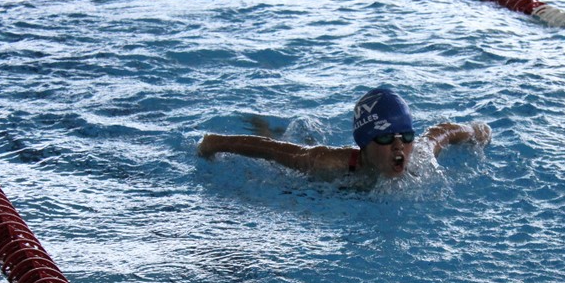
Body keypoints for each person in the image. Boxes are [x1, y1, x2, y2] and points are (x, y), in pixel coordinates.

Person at [197, 88, 491, 179]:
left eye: (406, 136)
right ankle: (262, 121)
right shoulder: (327, 162)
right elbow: (271, 150)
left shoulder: (421, 157)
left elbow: (444, 132)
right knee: (294, 147)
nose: (399, 147)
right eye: (386, 138)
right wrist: (215, 143)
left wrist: (477, 131)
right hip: (324, 177)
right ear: (364, 143)